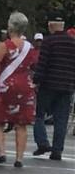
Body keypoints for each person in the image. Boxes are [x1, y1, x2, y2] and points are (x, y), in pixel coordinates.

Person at [0, 12, 38, 167]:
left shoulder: (5, 45)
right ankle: (19, 159)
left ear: (10, 27)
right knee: (21, 124)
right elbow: (34, 65)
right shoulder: (29, 47)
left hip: (6, 86)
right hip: (25, 85)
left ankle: (1, 153)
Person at [32, 18, 74, 161]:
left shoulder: (49, 41)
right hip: (66, 86)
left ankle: (42, 142)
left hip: (48, 84)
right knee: (61, 119)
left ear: (51, 26)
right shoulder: (73, 42)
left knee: (39, 115)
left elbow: (42, 63)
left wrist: (36, 81)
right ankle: (57, 150)